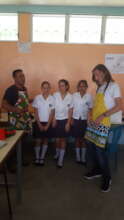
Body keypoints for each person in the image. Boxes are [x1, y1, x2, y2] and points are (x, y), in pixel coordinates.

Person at [84, 64, 122, 192]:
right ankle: (97, 170)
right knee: (90, 145)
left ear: (105, 72)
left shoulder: (113, 86)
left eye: (98, 73)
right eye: (95, 74)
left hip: (103, 121)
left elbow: (119, 106)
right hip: (94, 121)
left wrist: (101, 116)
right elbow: (96, 105)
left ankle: (107, 177)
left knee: (99, 150)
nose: (96, 76)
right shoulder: (99, 88)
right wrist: (90, 114)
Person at [2, 69, 32, 170]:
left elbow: (24, 102)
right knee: (14, 143)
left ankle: (21, 159)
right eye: (20, 76)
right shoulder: (11, 90)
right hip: (16, 121)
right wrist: (16, 110)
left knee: (23, 142)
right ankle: (10, 164)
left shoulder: (24, 89)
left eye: (23, 76)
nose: (23, 78)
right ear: (14, 78)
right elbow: (4, 104)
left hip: (24, 120)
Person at [32, 81, 54, 166]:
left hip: (48, 122)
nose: (46, 89)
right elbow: (36, 112)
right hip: (38, 122)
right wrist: (39, 124)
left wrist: (48, 125)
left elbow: (52, 113)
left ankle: (42, 157)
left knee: (45, 140)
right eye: (44, 87)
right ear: (41, 88)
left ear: (50, 88)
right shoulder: (37, 98)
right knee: (38, 140)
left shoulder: (52, 98)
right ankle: (37, 157)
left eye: (48, 87)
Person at [72, 80, 93, 165]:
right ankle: (78, 156)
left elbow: (90, 109)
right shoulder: (74, 95)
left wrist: (89, 119)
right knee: (77, 139)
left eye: (84, 86)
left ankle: (83, 157)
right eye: (80, 86)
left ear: (86, 87)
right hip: (76, 119)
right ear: (78, 87)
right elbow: (71, 108)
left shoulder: (89, 96)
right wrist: (71, 120)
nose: (82, 87)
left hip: (85, 120)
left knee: (84, 139)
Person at [53, 79, 73, 168]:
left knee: (63, 140)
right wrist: (53, 119)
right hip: (56, 120)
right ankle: (57, 153)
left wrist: (68, 123)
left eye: (62, 85)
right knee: (57, 140)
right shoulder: (55, 95)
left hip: (65, 120)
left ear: (67, 86)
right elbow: (52, 109)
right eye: (59, 85)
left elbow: (70, 110)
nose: (61, 87)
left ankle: (60, 160)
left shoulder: (70, 96)